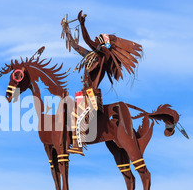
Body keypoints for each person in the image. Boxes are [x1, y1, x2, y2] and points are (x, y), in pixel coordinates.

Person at [61, 11, 143, 155]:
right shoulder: (90, 56)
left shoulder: (104, 56)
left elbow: (88, 41)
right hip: (84, 93)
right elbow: (75, 45)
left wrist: (82, 24)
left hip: (92, 95)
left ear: (104, 44)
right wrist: (66, 30)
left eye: (100, 39)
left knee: (77, 114)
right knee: (67, 110)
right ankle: (70, 141)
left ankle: (78, 145)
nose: (96, 39)